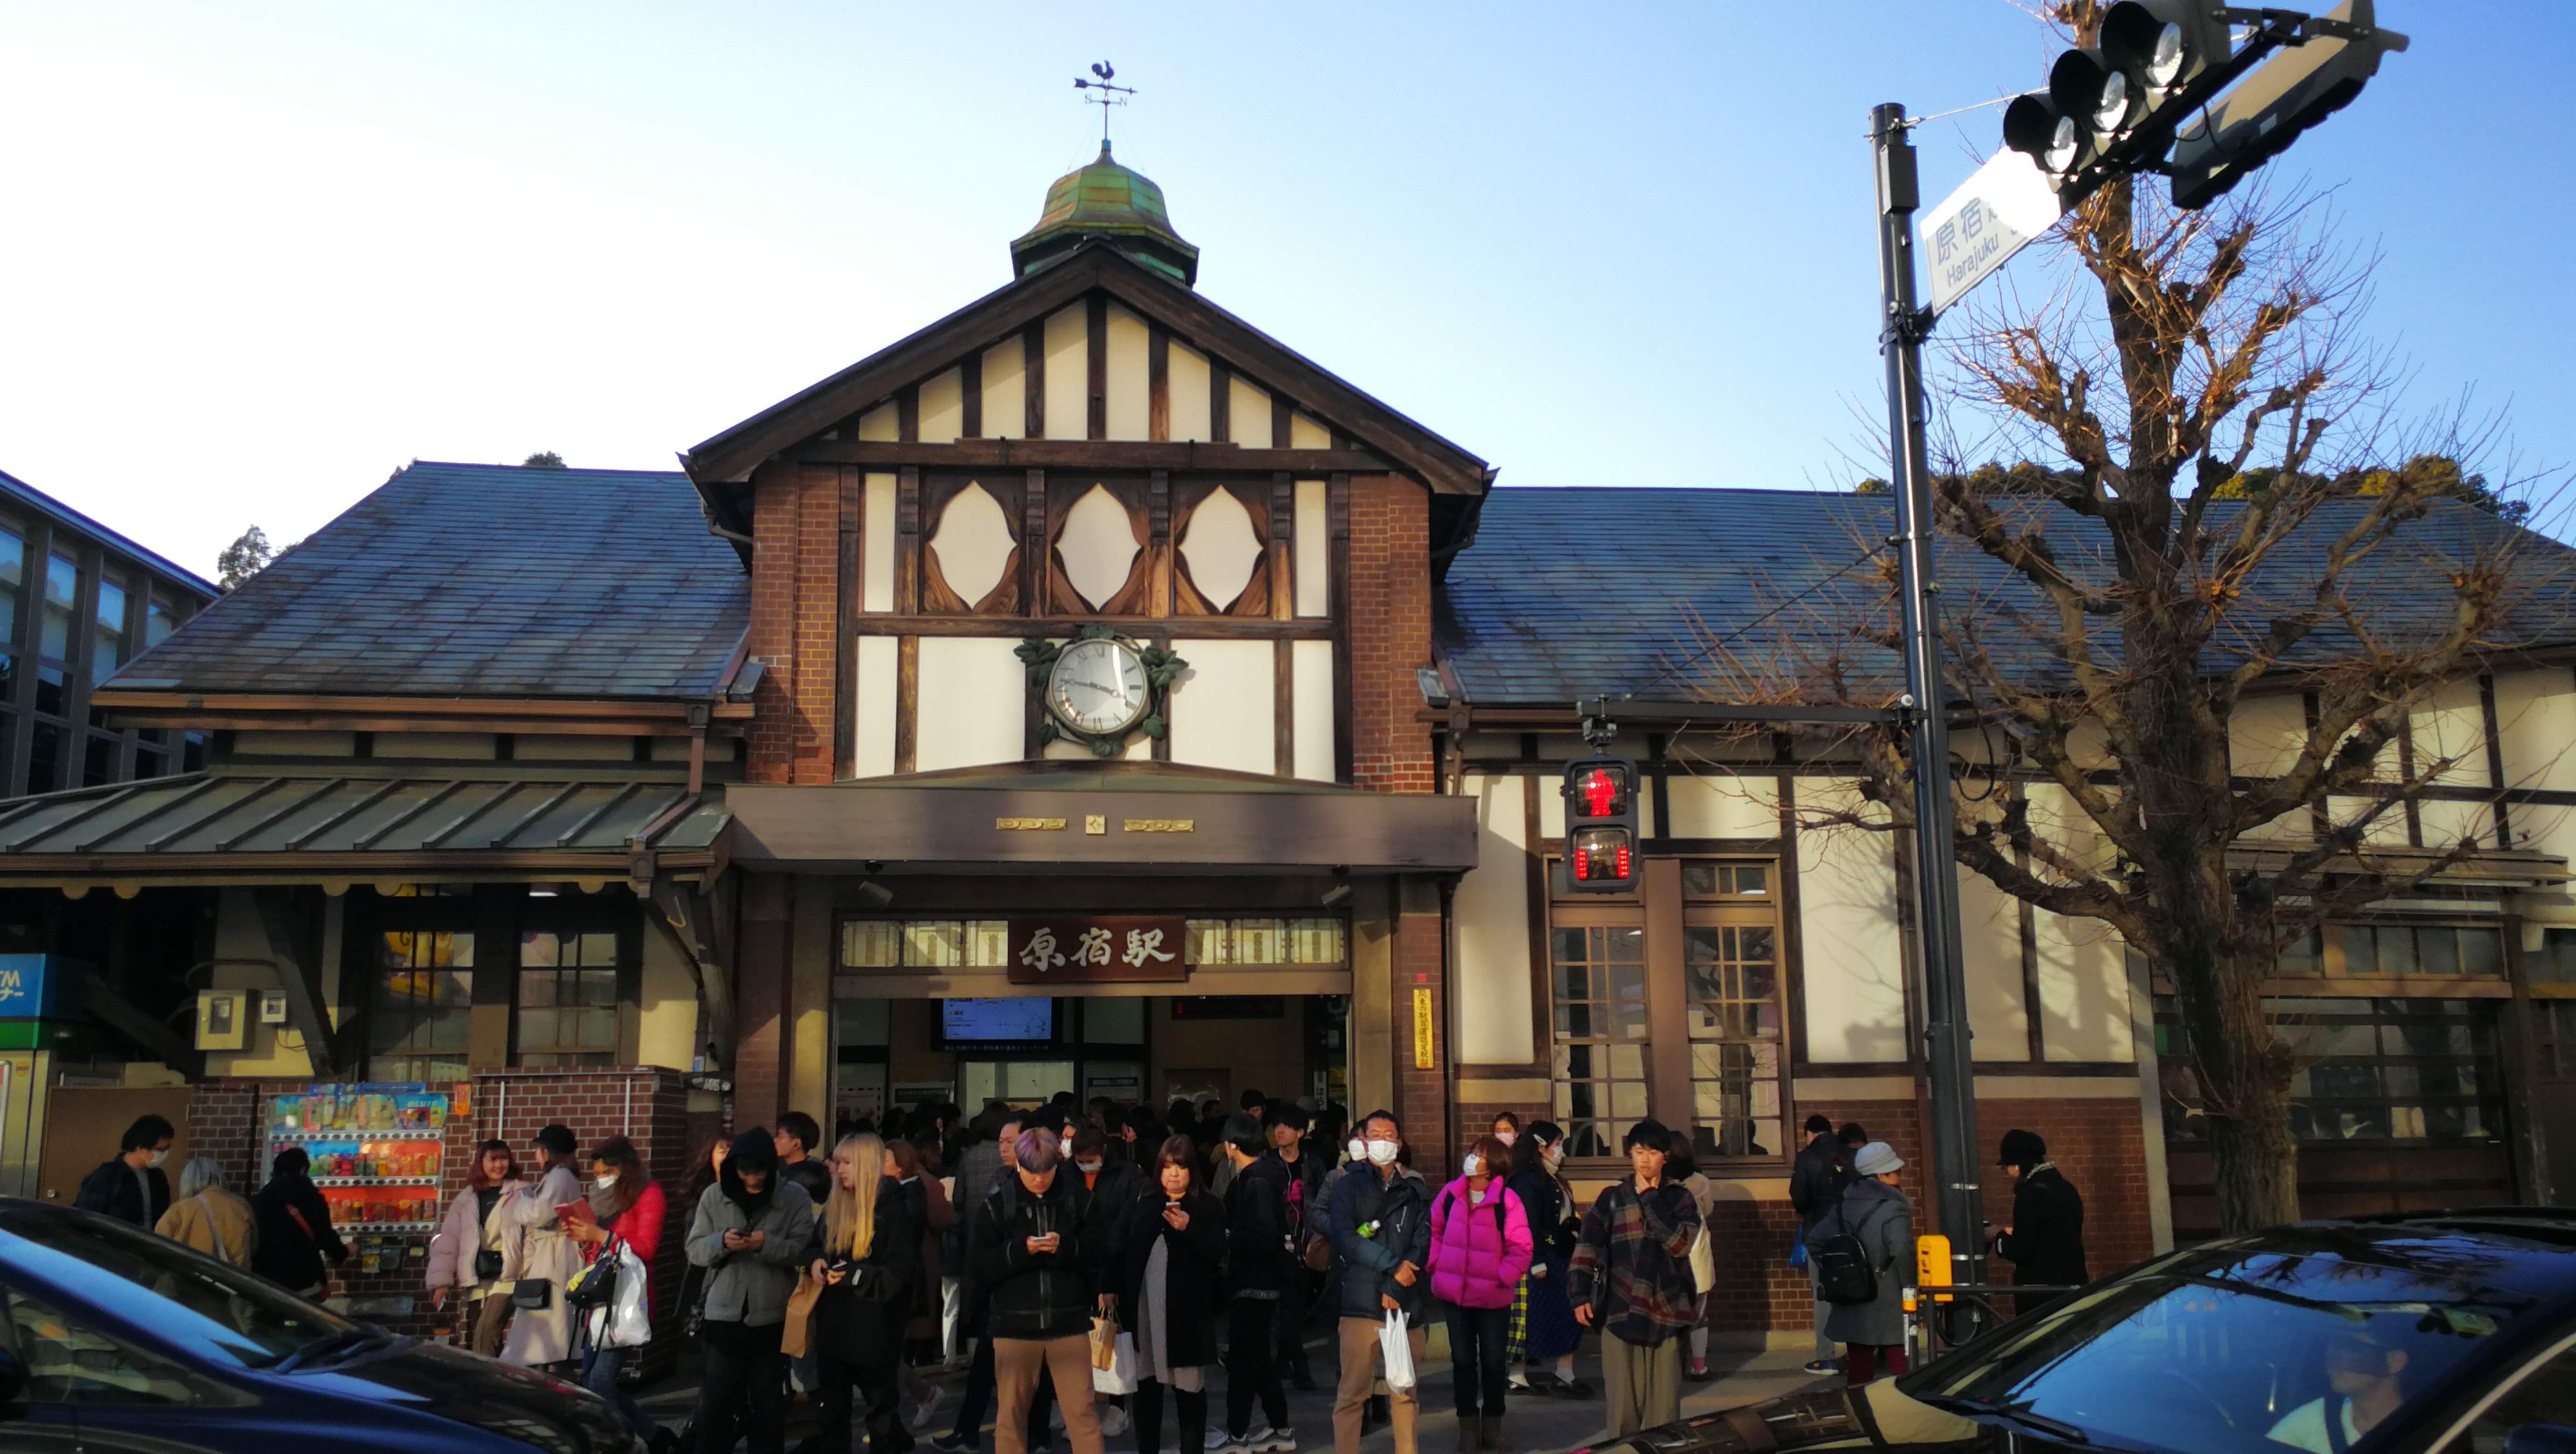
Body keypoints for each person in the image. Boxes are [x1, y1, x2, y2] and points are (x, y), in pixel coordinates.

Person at [1568, 1119, 1702, 1438]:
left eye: (1653, 1153)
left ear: (1665, 1157)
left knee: (1664, 1418)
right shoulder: (1612, 1198)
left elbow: (1680, 1244)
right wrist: (1579, 1294)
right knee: (1622, 1414)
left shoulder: (1680, 1199)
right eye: (1639, 1152)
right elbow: (1586, 1247)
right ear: (1630, 1154)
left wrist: (1651, 1197)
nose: (1645, 1160)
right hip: (1620, 1310)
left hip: (1667, 1312)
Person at [973, 1128, 1103, 1454]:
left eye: (1047, 1169)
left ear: (1057, 1163)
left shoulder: (1079, 1199)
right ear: (1019, 1165)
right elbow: (980, 1265)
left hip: (1069, 1323)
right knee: (1010, 1417)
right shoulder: (997, 1205)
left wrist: (1066, 1247)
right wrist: (1020, 1250)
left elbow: (1099, 1253)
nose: (1040, 1178)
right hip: (1014, 1326)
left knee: (1082, 1414)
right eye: (1032, 1171)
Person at [687, 1127, 817, 1454]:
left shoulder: (794, 1197)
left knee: (768, 1406)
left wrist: (766, 1245)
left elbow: (803, 1250)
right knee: (715, 1405)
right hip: (723, 1315)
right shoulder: (714, 1195)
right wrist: (721, 1242)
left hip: (771, 1316)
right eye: (745, 1174)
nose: (752, 1180)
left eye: (759, 1173)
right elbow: (695, 1249)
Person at [1106, 1135, 1226, 1454]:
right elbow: (1119, 1242)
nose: (1173, 1174)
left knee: (1189, 1391)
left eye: (1181, 1167)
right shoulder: (1144, 1198)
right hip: (1144, 1307)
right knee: (1146, 1388)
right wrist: (1109, 1285)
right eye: (1168, 1166)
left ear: (1192, 1171)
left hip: (1187, 1315)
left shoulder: (1208, 1205)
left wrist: (1189, 1229)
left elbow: (1216, 1251)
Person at [799, 1131, 916, 1454]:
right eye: (838, 1163)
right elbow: (811, 1247)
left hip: (875, 1328)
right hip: (834, 1326)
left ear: (865, 1165)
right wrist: (814, 1262)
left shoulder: (893, 1209)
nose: (839, 1170)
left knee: (881, 1415)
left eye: (847, 1163)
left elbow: (900, 1273)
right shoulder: (835, 1207)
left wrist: (855, 1276)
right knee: (832, 1413)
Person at [1325, 1109, 1430, 1454]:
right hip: (1361, 1304)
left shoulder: (1414, 1191)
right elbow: (1346, 1238)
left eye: (1389, 1136)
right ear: (1363, 1142)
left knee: (1405, 1391)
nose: (1382, 1142)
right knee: (1352, 1394)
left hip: (1405, 1305)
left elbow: (1422, 1241)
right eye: (1375, 1135)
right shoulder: (1348, 1186)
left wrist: (1396, 1285)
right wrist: (1393, 1267)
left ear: (1399, 1144)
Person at [1426, 1134, 1531, 1454]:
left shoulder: (1508, 1201)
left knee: (1494, 1362)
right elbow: (1434, 1230)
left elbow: (1521, 1247)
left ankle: (1493, 1426)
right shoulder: (1450, 1194)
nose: (1472, 1158)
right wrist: (1437, 1263)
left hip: (1492, 1297)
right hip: (1455, 1295)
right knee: (1462, 1362)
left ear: (1494, 1164)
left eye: (1480, 1154)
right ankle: (1468, 1427)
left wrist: (1502, 1276)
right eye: (1472, 1152)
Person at [566, 1135, 667, 1449]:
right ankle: (647, 1436)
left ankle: (641, 1438)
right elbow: (600, 1250)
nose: (602, 1179)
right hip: (601, 1300)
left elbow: (646, 1247)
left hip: (626, 1299)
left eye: (607, 1172)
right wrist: (586, 1240)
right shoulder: (603, 1199)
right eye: (597, 1174)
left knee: (599, 1383)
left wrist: (601, 1236)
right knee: (590, 1382)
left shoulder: (649, 1193)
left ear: (624, 1168)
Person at [1219, 1111, 1296, 1454]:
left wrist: (1228, 1237)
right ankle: (1281, 1428)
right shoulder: (1265, 1176)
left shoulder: (1254, 1182)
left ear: (1233, 1146)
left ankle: (1237, 1434)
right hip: (1263, 1282)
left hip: (1253, 1281)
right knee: (1259, 1359)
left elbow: (1261, 1236)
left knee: (1243, 1362)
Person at [1805, 1141, 1912, 1386]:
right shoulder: (1893, 1209)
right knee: (1901, 1364)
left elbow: (1815, 1241)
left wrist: (1840, 1272)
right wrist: (1910, 1287)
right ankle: (1904, 1405)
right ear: (1881, 1175)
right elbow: (1902, 1249)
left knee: (1859, 1366)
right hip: (1889, 1297)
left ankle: (1858, 1405)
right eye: (1895, 1171)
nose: (1899, 1176)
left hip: (1853, 1296)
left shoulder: (1842, 1207)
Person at [1504, 1121, 1589, 1398]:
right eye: (1557, 1145)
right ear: (1541, 1147)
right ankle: (1517, 1375)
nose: (1561, 1150)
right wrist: (1537, 1260)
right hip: (1539, 1259)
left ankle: (1564, 1371)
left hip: (1560, 1255)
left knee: (1565, 1314)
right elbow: (1527, 1223)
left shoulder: (1552, 1178)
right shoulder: (1527, 1179)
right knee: (1528, 1317)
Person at [501, 1124, 588, 1370]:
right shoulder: (562, 1176)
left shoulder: (559, 1176)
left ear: (548, 1152)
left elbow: (542, 1213)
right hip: (554, 1253)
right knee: (548, 1326)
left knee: (547, 1322)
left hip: (555, 1256)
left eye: (539, 1150)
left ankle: (551, 1374)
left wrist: (520, 1205)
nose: (535, 1156)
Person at [427, 1139, 521, 1356]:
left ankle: (486, 1375)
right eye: (493, 1159)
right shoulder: (467, 1198)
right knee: (484, 1334)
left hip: (509, 1275)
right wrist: (441, 1283)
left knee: (485, 1334)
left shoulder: (521, 1193)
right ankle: (500, 1373)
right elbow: (449, 1241)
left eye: (503, 1159)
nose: (499, 1165)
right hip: (477, 1276)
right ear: (481, 1162)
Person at [1259, 1103, 1329, 1392]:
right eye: (1277, 1126)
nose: (1279, 1131)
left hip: (1307, 1245)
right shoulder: (1267, 1163)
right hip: (1277, 1245)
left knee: (1293, 1308)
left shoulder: (1313, 1165)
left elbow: (1324, 1202)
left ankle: (1285, 1363)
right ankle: (1298, 1367)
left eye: (1286, 1127)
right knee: (1287, 1307)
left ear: (1300, 1133)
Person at [893, 1135, 957, 1426]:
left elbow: (941, 1218)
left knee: (892, 1346)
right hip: (914, 1267)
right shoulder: (925, 1183)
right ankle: (919, 1395)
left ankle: (893, 1416)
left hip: (910, 1270)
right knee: (890, 1349)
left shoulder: (918, 1187)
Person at [1992, 1128, 2088, 1317]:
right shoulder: (2066, 1188)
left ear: (2017, 1165)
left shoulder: (2030, 1195)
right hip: (2073, 1284)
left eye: (2006, 1167)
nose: (2007, 1172)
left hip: (2039, 1293)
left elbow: (2021, 1250)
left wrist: (1999, 1237)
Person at [1785, 1113, 1853, 1375]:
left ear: (1810, 1134)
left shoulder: (1806, 1157)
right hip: (1850, 1231)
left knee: (1822, 1294)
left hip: (1818, 1231)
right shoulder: (1850, 1154)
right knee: (1853, 1290)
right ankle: (1856, 1353)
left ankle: (1825, 1357)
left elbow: (1799, 1197)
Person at [2268, 1331, 2410, 1453]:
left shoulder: (2419, 1429)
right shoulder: (2315, 1417)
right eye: (2335, 1344)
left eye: (2353, 1347)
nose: (2334, 1356)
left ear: (2395, 1361)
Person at [251, 1146, 347, 1298]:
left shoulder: (261, 1198)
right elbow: (324, 1236)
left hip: (266, 1278)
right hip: (303, 1277)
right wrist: (342, 1253)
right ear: (303, 1169)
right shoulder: (311, 1198)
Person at [1668, 1143, 1720, 1382]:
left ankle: (1669, 1366)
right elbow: (1708, 1210)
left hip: (1667, 1257)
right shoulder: (1700, 1182)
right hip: (1696, 1255)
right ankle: (1699, 1366)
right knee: (1698, 1314)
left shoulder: (1657, 1186)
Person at [75, 1114, 173, 1229]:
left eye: (167, 1149)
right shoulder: (107, 1176)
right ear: (140, 1148)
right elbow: (86, 1216)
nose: (165, 1154)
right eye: (161, 1150)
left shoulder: (158, 1177)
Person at [156, 1156, 256, 1268]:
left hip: (191, 1273)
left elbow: (159, 1244)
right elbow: (253, 1245)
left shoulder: (181, 1209)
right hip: (234, 1275)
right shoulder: (242, 1205)